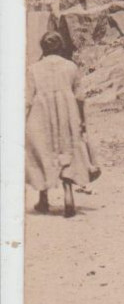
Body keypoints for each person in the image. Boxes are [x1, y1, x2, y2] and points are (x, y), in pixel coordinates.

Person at [25, 31, 94, 218]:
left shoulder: (33, 69)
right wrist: (82, 121)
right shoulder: (71, 67)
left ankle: (43, 198)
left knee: (42, 150)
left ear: (43, 47)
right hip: (68, 113)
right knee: (67, 149)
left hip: (41, 113)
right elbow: (80, 96)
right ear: (61, 46)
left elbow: (27, 100)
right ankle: (68, 195)